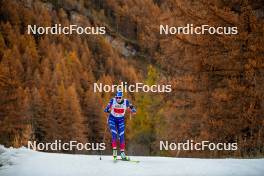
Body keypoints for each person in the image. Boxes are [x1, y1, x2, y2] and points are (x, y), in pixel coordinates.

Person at [104, 90, 136, 160]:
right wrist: (109, 110)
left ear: (122, 97)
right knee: (114, 133)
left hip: (120, 120)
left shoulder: (126, 102)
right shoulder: (112, 101)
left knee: (121, 135)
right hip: (112, 119)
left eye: (119, 97)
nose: (118, 99)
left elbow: (132, 107)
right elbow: (105, 110)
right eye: (117, 97)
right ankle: (114, 151)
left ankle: (122, 153)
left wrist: (133, 111)